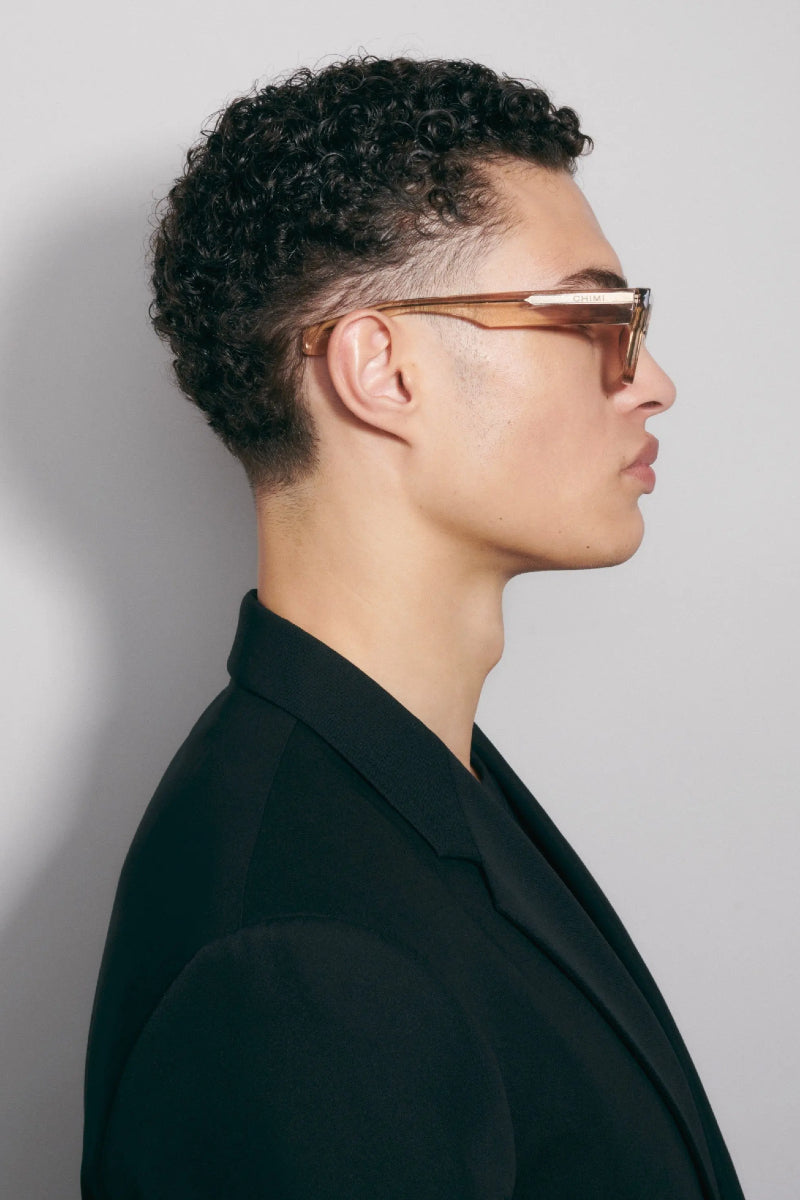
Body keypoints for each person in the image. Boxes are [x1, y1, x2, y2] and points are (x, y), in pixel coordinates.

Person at [81, 56, 745, 1199]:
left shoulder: (419, 785)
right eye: (592, 316)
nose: (652, 383)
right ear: (381, 370)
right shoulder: (300, 963)